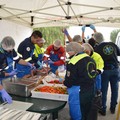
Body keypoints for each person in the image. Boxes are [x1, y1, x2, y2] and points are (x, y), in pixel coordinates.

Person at [64, 42, 97, 120]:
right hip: (91, 89)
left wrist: (64, 82)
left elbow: (69, 82)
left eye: (68, 52)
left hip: (79, 92)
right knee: (87, 110)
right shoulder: (91, 59)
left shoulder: (73, 61)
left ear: (73, 51)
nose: (68, 54)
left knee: (77, 113)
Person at [0, 36, 35, 103]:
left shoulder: (11, 50)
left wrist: (28, 64)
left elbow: (18, 60)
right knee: (2, 100)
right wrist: (2, 90)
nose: (10, 51)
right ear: (3, 47)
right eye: (8, 50)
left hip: (7, 76)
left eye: (11, 49)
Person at [93, 32, 120, 115]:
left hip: (105, 71)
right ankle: (113, 108)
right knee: (115, 89)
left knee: (104, 90)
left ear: (95, 40)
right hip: (115, 69)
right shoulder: (113, 44)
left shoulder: (97, 48)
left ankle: (103, 109)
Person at [82, 43, 104, 120]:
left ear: (90, 50)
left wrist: (97, 71)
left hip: (96, 76)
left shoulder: (97, 56)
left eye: (86, 52)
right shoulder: (82, 56)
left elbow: (101, 66)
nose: (85, 54)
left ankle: (97, 108)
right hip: (87, 80)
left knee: (96, 94)